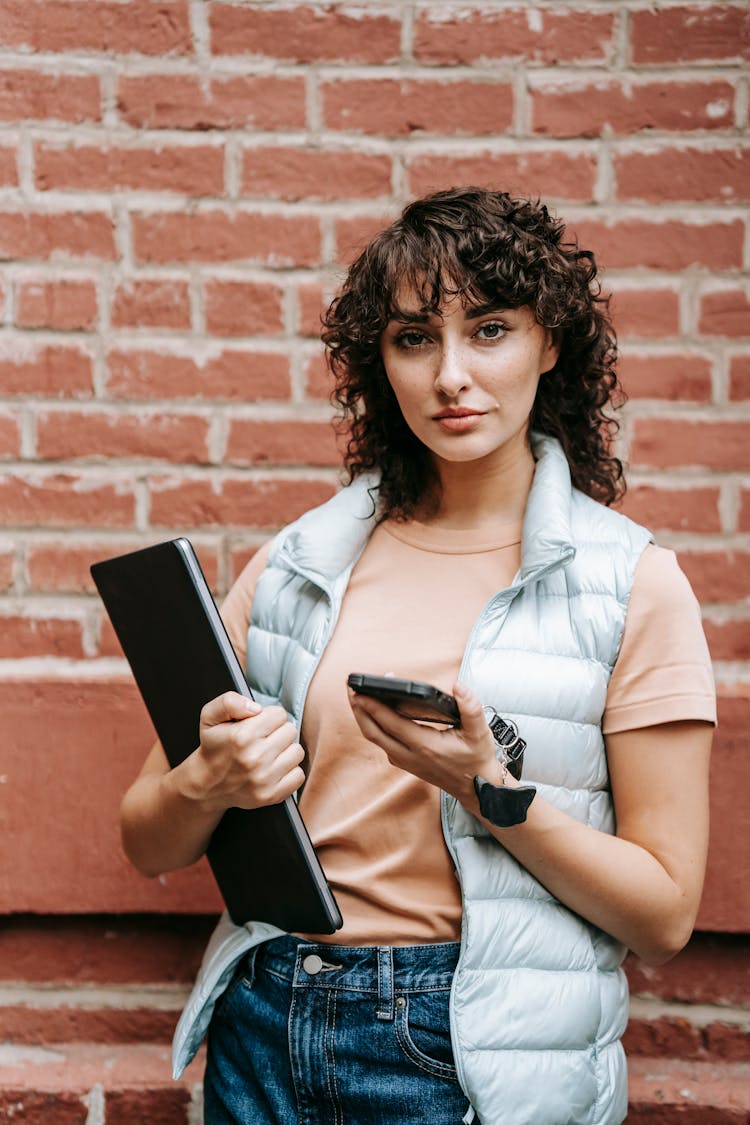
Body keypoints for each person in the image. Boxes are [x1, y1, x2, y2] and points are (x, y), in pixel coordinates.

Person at [119, 187, 715, 1125]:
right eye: (412, 339)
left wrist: (492, 794)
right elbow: (148, 840)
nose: (451, 376)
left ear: (548, 343)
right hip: (268, 1018)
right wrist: (209, 783)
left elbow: (666, 914)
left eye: (488, 331)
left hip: (465, 1047)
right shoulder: (298, 563)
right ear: (380, 364)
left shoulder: (631, 584)